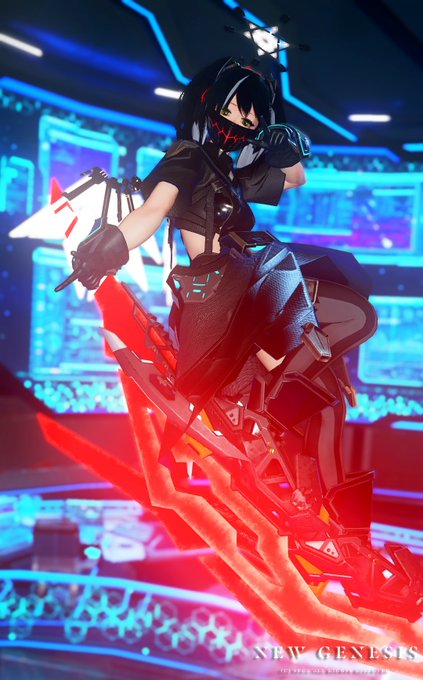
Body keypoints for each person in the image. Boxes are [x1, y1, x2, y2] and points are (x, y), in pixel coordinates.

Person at [57, 57, 422, 620]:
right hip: (221, 297)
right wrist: (110, 246)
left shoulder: (229, 172)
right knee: (327, 296)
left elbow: (295, 178)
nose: (244, 122)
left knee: (331, 392)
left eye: (253, 116)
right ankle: (269, 407)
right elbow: (153, 211)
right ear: (210, 106)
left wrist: (283, 141)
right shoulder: (187, 158)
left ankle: (351, 550)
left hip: (253, 288)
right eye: (237, 109)